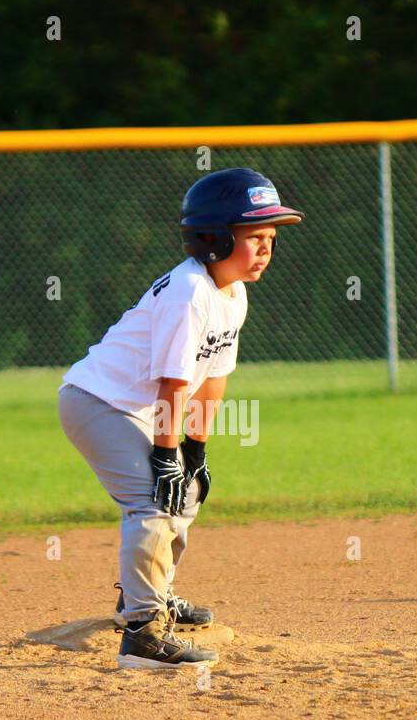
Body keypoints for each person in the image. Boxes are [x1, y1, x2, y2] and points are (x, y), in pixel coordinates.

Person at [57, 168, 304, 669]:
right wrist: (166, 455)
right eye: (254, 236)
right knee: (152, 499)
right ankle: (143, 634)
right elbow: (173, 383)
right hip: (98, 402)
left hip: (141, 409)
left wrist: (194, 452)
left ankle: (151, 594)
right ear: (214, 239)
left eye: (271, 237)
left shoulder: (232, 295)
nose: (265, 248)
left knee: (184, 490)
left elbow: (212, 381)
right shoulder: (189, 292)